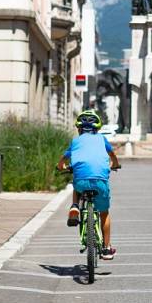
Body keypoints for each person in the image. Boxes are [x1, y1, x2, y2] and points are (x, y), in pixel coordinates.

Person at [57, 109, 121, 260]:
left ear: (79, 129)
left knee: (77, 184)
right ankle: (106, 248)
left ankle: (74, 206)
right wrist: (116, 165)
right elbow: (112, 155)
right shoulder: (102, 139)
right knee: (104, 213)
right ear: (97, 129)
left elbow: (63, 159)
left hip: (81, 180)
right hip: (100, 180)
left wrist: (61, 167)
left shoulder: (75, 141)